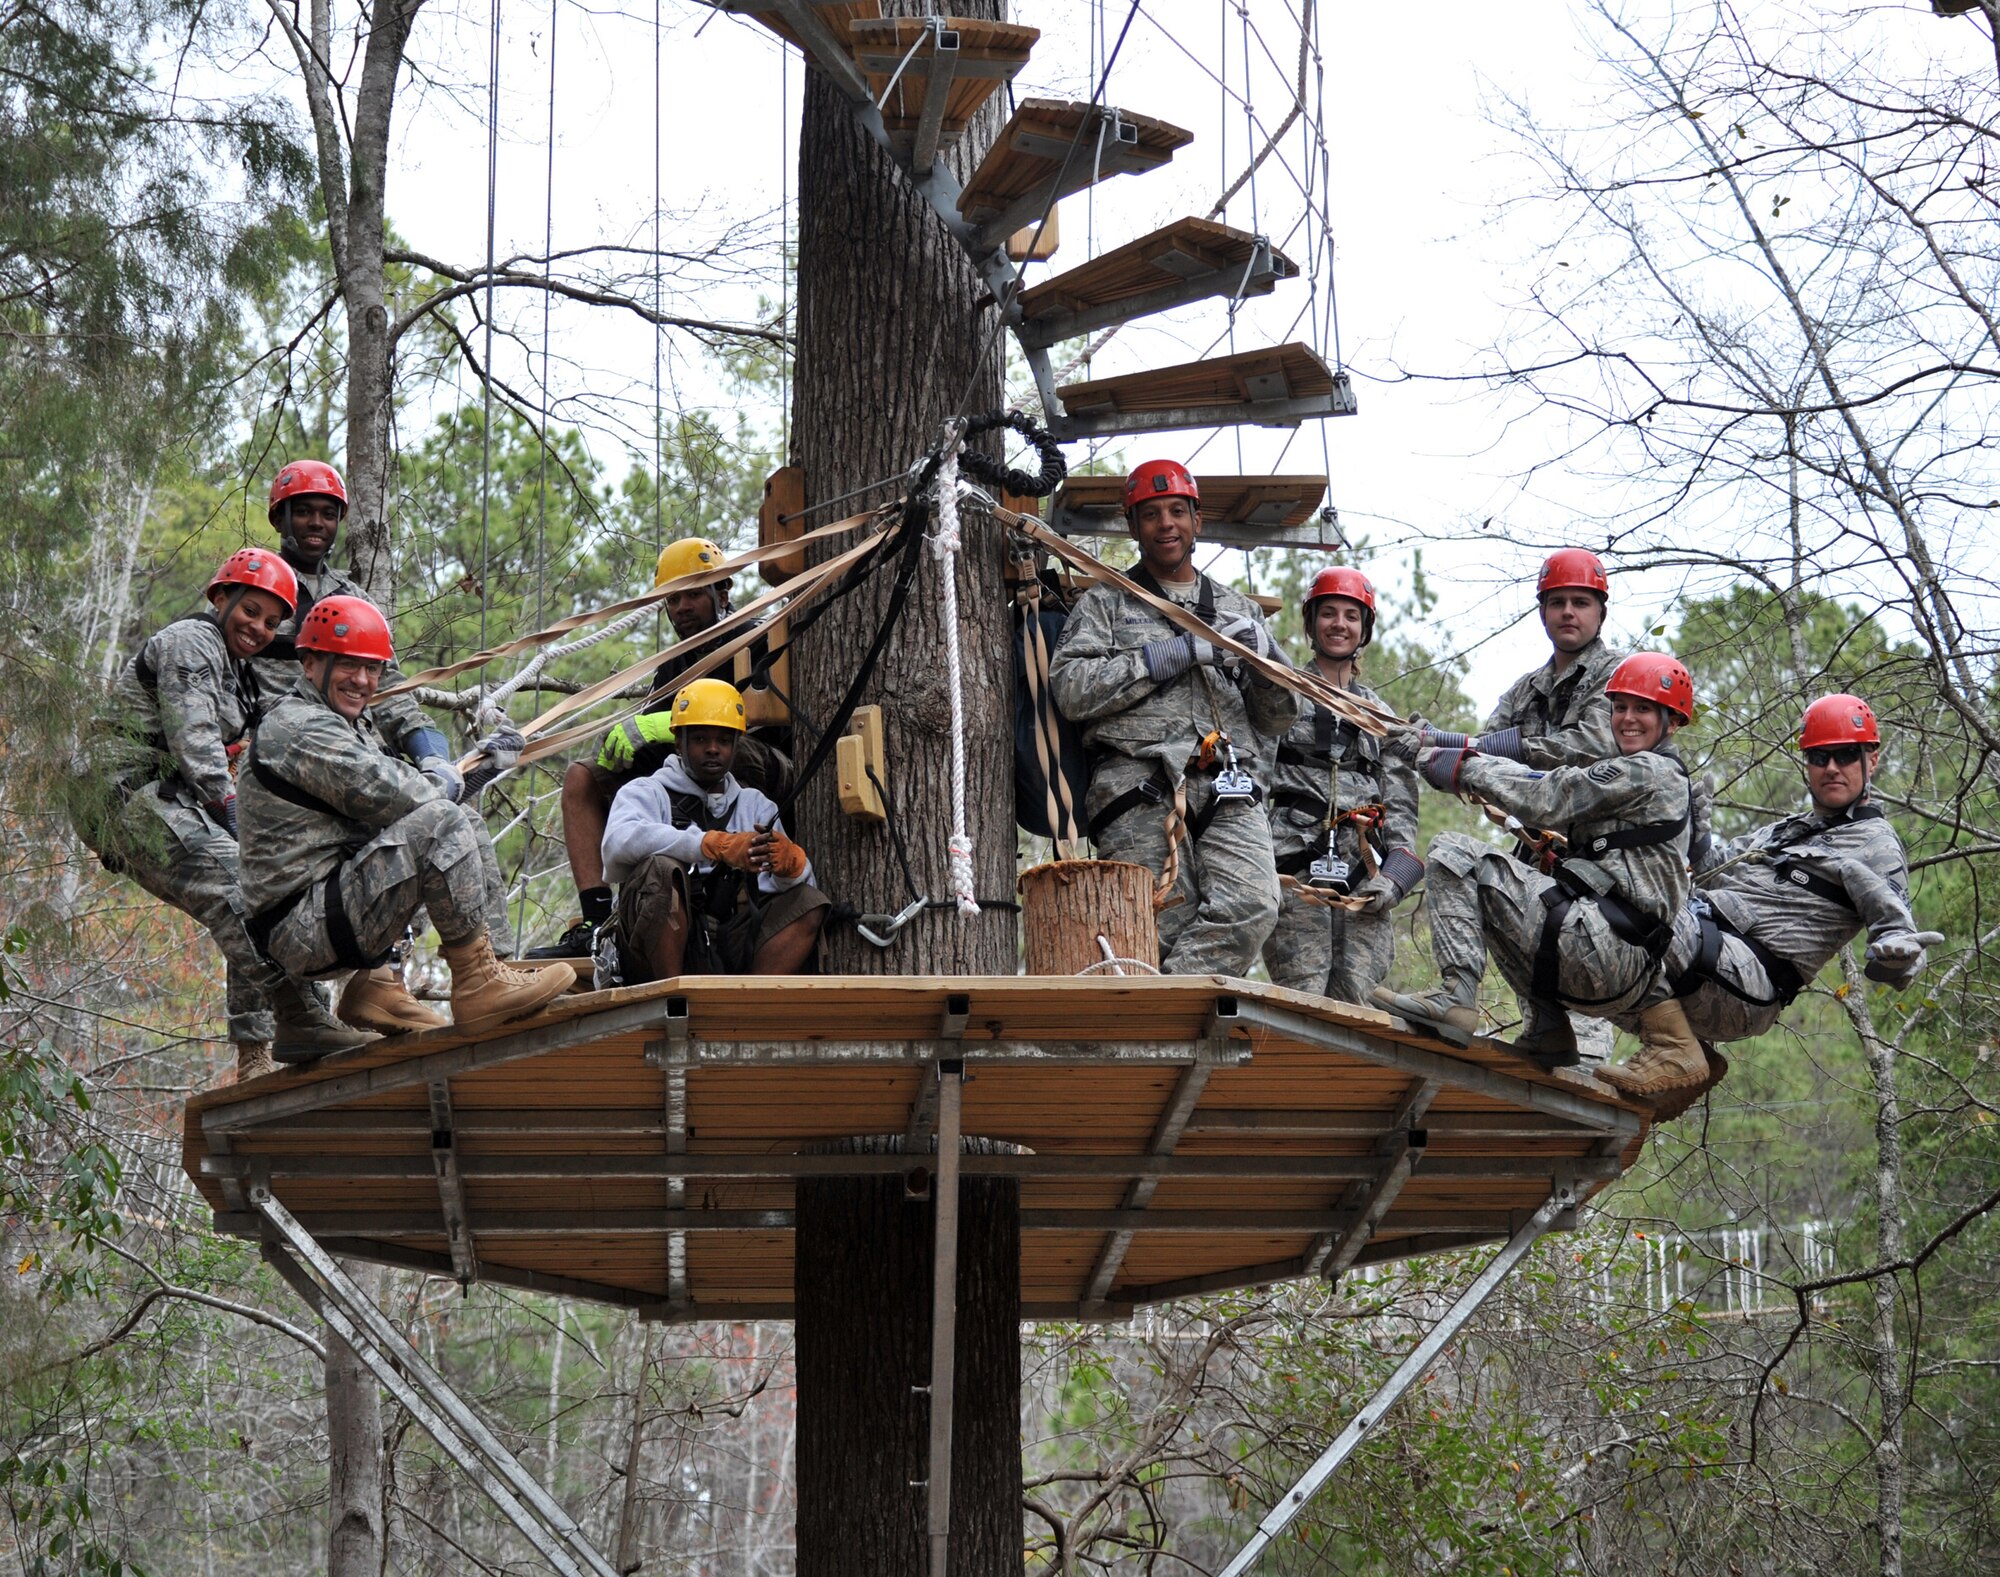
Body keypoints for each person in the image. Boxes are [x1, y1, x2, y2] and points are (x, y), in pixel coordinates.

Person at [73, 549, 375, 1082]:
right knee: (237, 885)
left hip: (165, 795)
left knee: (256, 888)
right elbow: (196, 744)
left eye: (271, 621)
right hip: (121, 791)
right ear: (220, 598)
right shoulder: (191, 642)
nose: (258, 628)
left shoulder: (241, 673)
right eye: (250, 611)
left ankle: (279, 1034)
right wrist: (235, 815)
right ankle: (295, 1022)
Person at [239, 596, 573, 1053]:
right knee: (441, 823)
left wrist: (476, 769)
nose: (362, 681)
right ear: (311, 663)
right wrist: (464, 774)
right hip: (303, 926)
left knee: (464, 824)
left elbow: (405, 799)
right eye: (348, 666)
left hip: (328, 908)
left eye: (372, 669)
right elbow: (408, 797)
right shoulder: (299, 728)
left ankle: (470, 971)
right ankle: (478, 985)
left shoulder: (343, 723)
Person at [1373, 652, 1707, 1104]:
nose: (1628, 719)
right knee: (1522, 879)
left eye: (1643, 709)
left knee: (1455, 853)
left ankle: (1455, 995)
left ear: (1672, 722)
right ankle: (1547, 1027)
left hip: (1605, 949)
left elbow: (1550, 792)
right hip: (1625, 965)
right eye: (1621, 708)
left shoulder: (1647, 770)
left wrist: (1456, 763)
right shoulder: (1658, 778)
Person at [1048, 460, 1296, 976]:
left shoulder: (1235, 610)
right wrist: (1170, 655)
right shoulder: (1107, 603)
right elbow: (1070, 690)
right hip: (1140, 786)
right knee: (1152, 932)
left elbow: (1277, 720)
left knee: (1253, 906)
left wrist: (1265, 660)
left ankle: (1165, 1003)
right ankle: (1160, 1030)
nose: (1167, 524)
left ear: (1197, 521)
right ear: (1132, 526)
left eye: (1178, 512)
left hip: (1229, 784)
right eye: (1152, 514)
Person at [525, 536, 791, 960]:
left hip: (762, 765)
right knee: (582, 778)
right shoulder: (675, 662)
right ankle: (595, 922)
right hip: (693, 775)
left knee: (723, 747)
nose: (681, 607)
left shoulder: (756, 638)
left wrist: (663, 726)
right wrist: (625, 739)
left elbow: (762, 725)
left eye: (691, 595)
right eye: (671, 600)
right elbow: (650, 737)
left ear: (721, 592)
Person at [1638, 693, 1929, 1047]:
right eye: (1820, 757)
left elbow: (1898, 935)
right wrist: (1694, 830)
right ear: (1807, 764)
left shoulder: (1874, 844)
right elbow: (1710, 871)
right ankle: (1676, 1056)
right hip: (1707, 950)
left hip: (1744, 980)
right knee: (1608, 906)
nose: (1832, 768)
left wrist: (1897, 957)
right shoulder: (1784, 831)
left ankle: (1676, 1050)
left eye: (1847, 755)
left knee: (1636, 908)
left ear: (1873, 759)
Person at [1261, 567, 1424, 1001]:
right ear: (1311, 623)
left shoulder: (1381, 717)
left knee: (1359, 1000)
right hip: (1293, 869)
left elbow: (1402, 809)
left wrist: (1394, 880)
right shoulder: (1282, 696)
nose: (1339, 624)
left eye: (1351, 616)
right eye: (1328, 613)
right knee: (1303, 997)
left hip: (1362, 873)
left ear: (1364, 628)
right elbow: (1255, 778)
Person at [598, 679, 828, 982]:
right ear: (678, 741)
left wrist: (792, 867)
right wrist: (709, 845)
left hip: (730, 942)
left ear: (736, 745)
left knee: (810, 902)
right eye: (700, 739)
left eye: (723, 740)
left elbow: (787, 894)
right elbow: (616, 845)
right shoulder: (646, 792)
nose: (712, 749)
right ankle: (674, 995)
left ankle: (750, 1005)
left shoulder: (756, 806)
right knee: (661, 869)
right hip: (655, 949)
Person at [252, 460, 461, 791]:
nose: (317, 523)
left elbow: (390, 689)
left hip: (349, 751)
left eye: (328, 514)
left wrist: (432, 755)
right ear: (280, 519)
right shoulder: (252, 589)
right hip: (273, 751)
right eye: (304, 512)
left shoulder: (354, 600)